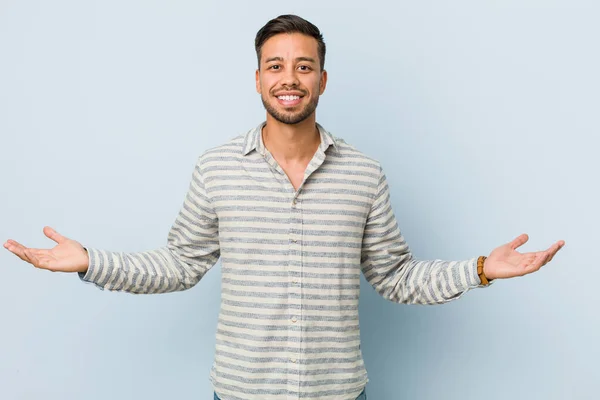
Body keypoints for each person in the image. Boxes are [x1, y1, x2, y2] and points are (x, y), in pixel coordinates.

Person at [4, 14, 565, 400]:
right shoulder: (217, 167)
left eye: (303, 65)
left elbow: (395, 277)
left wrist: (482, 270)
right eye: (275, 66)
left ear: (322, 78)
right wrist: (89, 262)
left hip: (339, 390)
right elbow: (179, 264)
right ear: (257, 79)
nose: (289, 78)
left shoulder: (364, 173)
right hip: (241, 390)